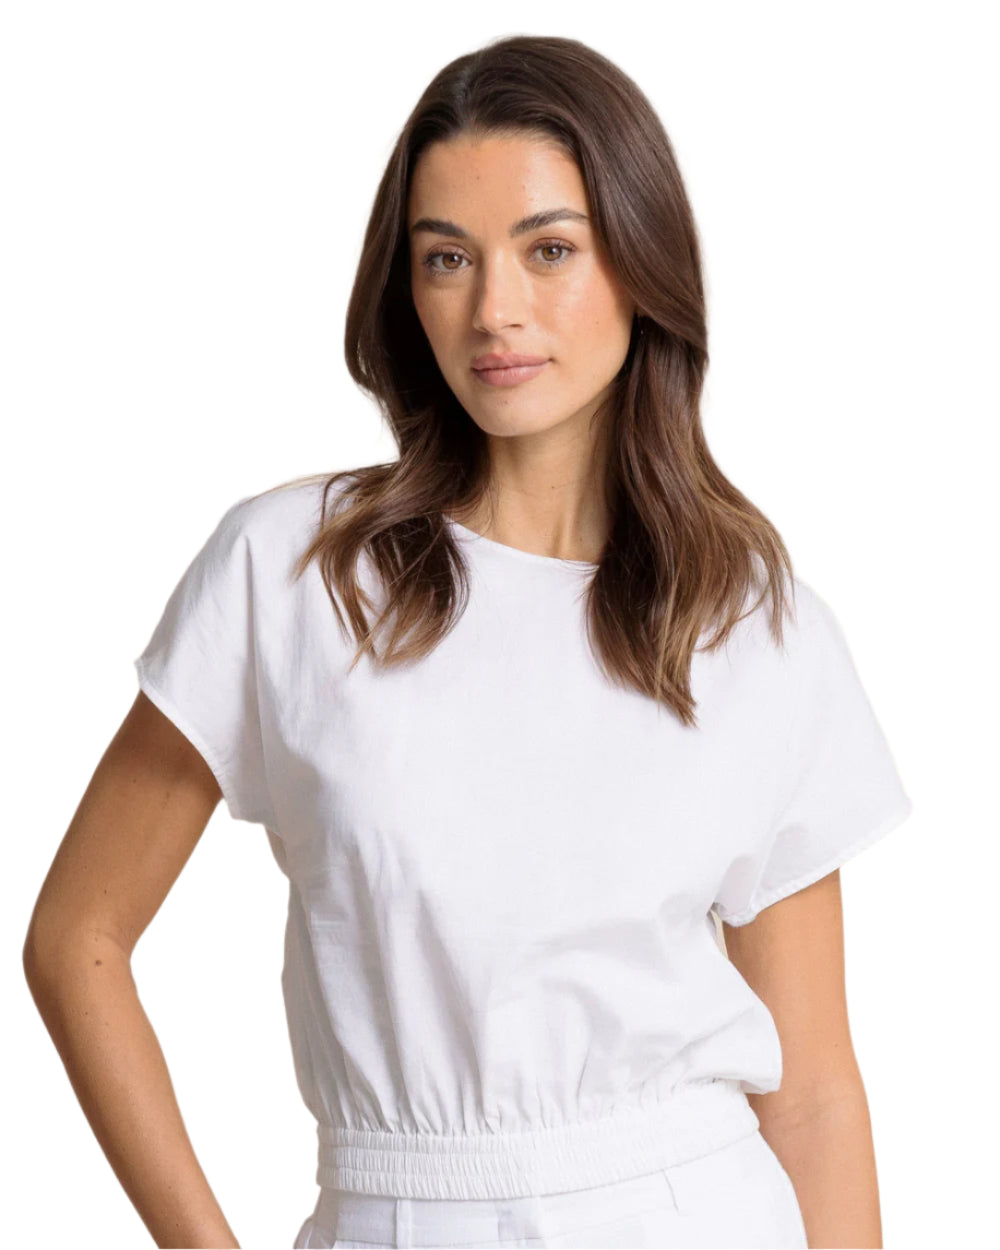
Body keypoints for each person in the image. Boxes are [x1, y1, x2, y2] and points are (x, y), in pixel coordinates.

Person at [23, 33, 913, 1250]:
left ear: (640, 260)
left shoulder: (752, 622)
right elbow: (77, 938)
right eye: (447, 257)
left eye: (550, 249)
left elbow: (810, 1095)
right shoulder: (294, 573)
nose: (494, 310)